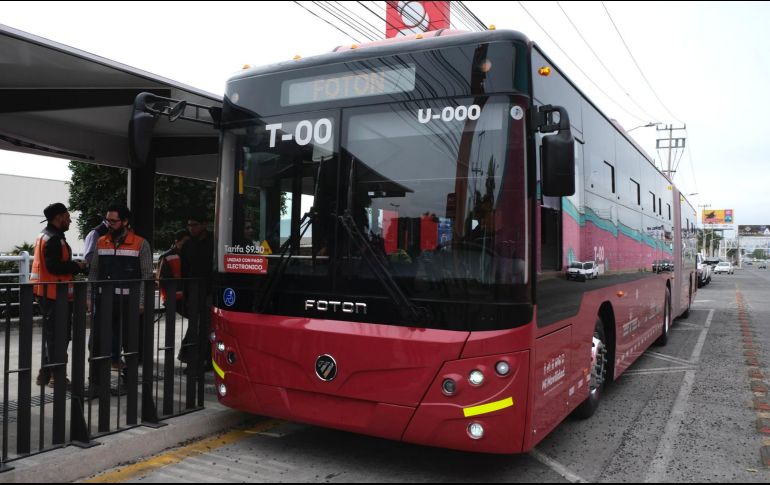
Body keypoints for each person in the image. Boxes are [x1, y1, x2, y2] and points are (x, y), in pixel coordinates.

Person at [87, 203, 153, 375]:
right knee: (97, 342)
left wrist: (141, 301)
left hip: (129, 302)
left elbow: (146, 276)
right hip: (104, 301)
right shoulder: (101, 242)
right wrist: (89, 296)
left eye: (113, 221)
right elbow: (93, 272)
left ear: (124, 221)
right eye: (107, 220)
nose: (109, 224)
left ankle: (129, 380)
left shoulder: (140, 244)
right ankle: (95, 382)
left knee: (130, 343)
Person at [29, 203, 87, 387]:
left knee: (55, 335)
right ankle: (56, 376)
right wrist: (76, 266)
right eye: (67, 216)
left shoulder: (46, 235)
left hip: (48, 292)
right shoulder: (53, 238)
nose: (70, 220)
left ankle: (46, 374)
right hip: (54, 293)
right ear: (59, 217)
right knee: (59, 336)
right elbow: (53, 266)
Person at [178, 214, 214, 369]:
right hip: (193, 291)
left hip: (210, 290)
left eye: (194, 225)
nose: (191, 228)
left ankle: (200, 359)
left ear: (204, 224)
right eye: (189, 225)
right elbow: (184, 270)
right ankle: (193, 358)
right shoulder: (188, 245)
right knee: (196, 327)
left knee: (205, 327)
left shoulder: (215, 242)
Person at [157, 229, 190, 310]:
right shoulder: (167, 256)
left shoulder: (187, 255)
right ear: (176, 241)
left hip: (183, 296)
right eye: (185, 241)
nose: (187, 245)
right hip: (172, 297)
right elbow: (161, 279)